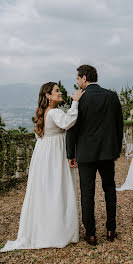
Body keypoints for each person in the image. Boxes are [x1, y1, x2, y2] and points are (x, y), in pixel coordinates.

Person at [1, 82, 84, 252]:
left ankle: (47, 228)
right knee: (57, 189)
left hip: (44, 154)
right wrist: (75, 101)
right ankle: (56, 232)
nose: (60, 92)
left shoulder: (45, 113)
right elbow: (69, 122)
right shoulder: (54, 112)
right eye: (56, 90)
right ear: (48, 95)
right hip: (55, 154)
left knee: (47, 190)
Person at [66, 65, 123, 246]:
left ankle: (90, 234)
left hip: (85, 154)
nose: (77, 82)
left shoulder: (79, 99)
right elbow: (119, 126)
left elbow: (72, 128)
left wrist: (70, 153)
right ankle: (111, 229)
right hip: (107, 153)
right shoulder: (112, 96)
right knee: (109, 190)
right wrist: (116, 150)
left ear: (84, 78)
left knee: (87, 193)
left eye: (77, 79)